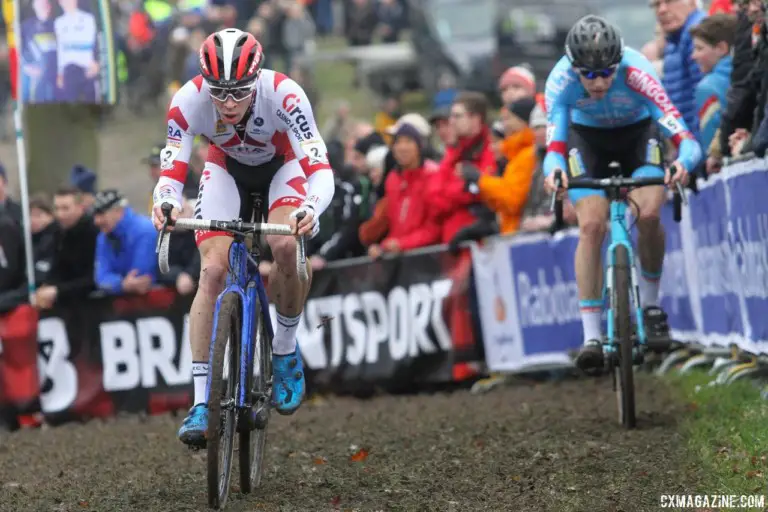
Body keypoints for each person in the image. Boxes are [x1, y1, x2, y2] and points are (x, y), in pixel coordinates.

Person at [151, 29, 335, 447]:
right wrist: (164, 203)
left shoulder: (285, 94)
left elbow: (320, 169)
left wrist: (309, 208)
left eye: (239, 92)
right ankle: (201, 402)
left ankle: (286, 350)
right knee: (212, 270)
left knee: (285, 245)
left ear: (257, 79)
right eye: (219, 93)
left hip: (284, 167)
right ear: (205, 84)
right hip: (226, 169)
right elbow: (171, 174)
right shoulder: (187, 102)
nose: (229, 103)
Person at [542, 15, 703, 371]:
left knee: (647, 214)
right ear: (574, 68)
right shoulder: (560, 81)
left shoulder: (638, 73)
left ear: (619, 64)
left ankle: (649, 306)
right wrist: (554, 171)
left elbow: (686, 139)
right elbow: (554, 146)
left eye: (606, 73)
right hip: (587, 142)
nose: (598, 82)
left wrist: (683, 165)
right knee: (591, 227)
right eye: (589, 74)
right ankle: (591, 336)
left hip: (638, 136)